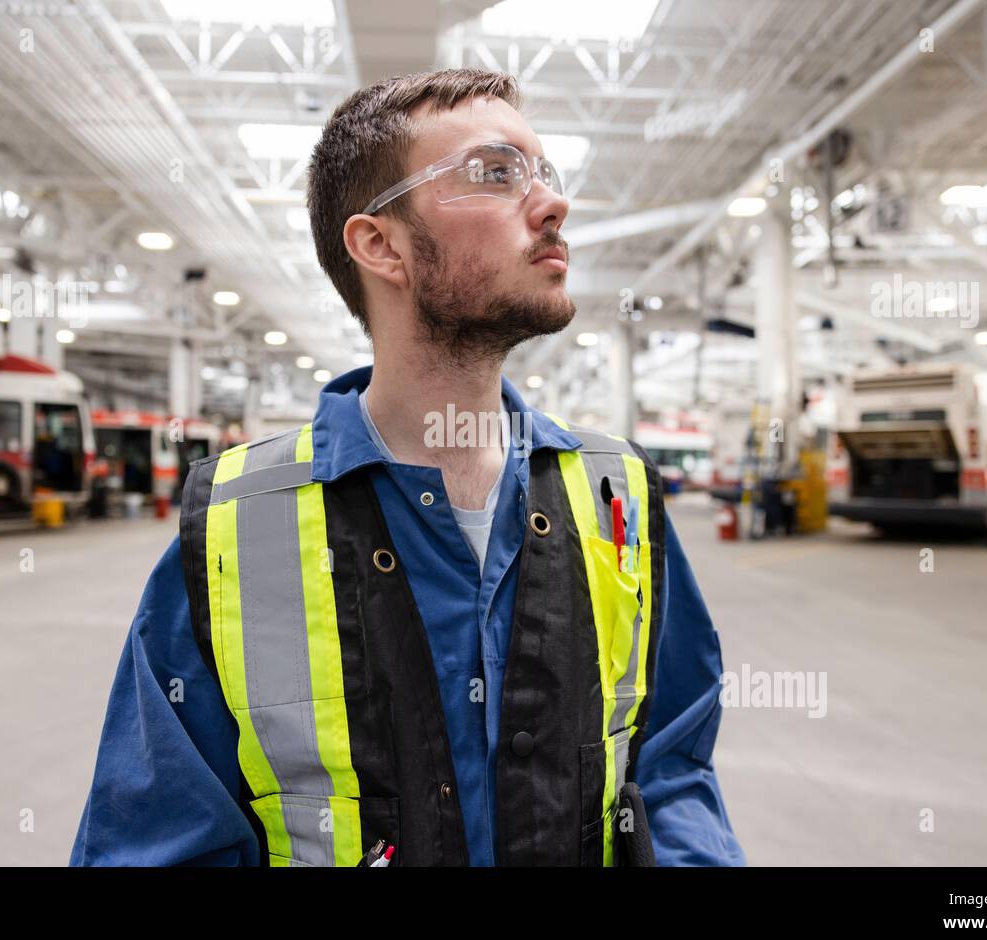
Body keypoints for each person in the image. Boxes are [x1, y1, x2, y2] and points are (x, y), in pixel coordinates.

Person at [71, 68, 744, 867]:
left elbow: (670, 769)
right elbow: (158, 838)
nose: (552, 203)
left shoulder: (618, 494)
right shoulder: (235, 524)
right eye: (497, 173)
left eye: (545, 174)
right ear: (380, 244)